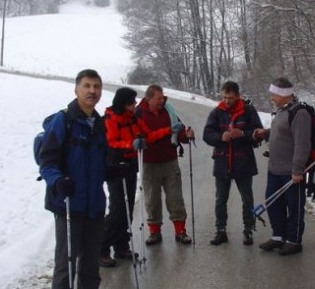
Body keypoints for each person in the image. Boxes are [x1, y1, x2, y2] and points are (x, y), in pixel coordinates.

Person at [39, 69, 115, 289]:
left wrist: (113, 169)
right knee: (65, 264)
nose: (92, 91)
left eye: (96, 86)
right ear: (76, 90)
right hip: (69, 205)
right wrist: (58, 181)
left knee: (91, 260)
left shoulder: (99, 124)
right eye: (86, 86)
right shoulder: (64, 121)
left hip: (94, 203)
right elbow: (47, 162)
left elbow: (100, 163)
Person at [99, 87, 172, 267]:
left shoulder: (133, 118)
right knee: (117, 210)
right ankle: (101, 248)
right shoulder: (110, 119)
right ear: (123, 103)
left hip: (131, 167)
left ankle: (121, 246)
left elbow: (148, 135)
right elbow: (110, 143)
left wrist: (168, 130)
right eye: (131, 103)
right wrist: (130, 144)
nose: (134, 105)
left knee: (127, 208)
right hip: (115, 168)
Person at [253, 77, 311, 256]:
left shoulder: (299, 113)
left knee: (294, 207)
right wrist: (266, 133)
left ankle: (293, 240)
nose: (271, 98)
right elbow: (281, 132)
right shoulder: (281, 111)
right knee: (273, 203)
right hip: (274, 168)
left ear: (284, 95)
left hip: (291, 171)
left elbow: (302, 144)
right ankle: (278, 236)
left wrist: (298, 170)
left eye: (274, 94)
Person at [203, 80, 264, 246]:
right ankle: (220, 230)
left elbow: (259, 133)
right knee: (220, 199)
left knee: (247, 199)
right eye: (224, 97)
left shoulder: (249, 111)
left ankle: (248, 230)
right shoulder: (217, 112)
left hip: (243, 161)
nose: (226, 101)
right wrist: (220, 137)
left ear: (238, 96)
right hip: (222, 161)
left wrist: (243, 133)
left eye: (230, 97)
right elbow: (207, 135)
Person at [135, 84, 195, 245]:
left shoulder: (169, 110)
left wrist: (186, 135)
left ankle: (180, 231)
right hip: (149, 163)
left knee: (175, 198)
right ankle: (154, 233)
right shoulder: (138, 113)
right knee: (151, 200)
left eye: (162, 97)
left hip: (170, 161)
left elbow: (180, 129)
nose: (162, 100)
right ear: (148, 98)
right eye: (158, 98)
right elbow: (135, 135)